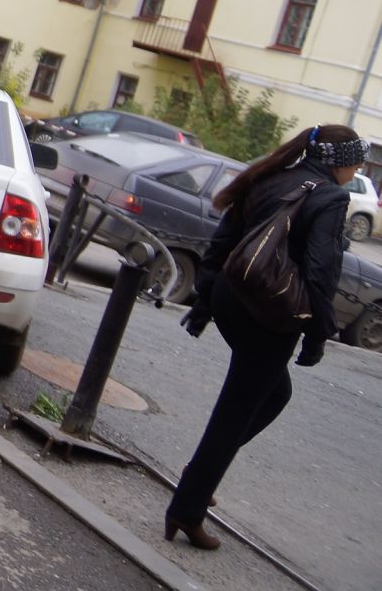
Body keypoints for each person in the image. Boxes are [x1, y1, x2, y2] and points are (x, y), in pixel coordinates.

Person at [164, 123, 362, 549]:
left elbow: (225, 239)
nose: (360, 166)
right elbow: (322, 271)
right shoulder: (330, 196)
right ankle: (187, 507)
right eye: (357, 159)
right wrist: (317, 336)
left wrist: (205, 301)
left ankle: (200, 475)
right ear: (341, 163)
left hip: (230, 298)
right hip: (270, 314)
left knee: (273, 394)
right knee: (235, 410)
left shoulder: (273, 175)